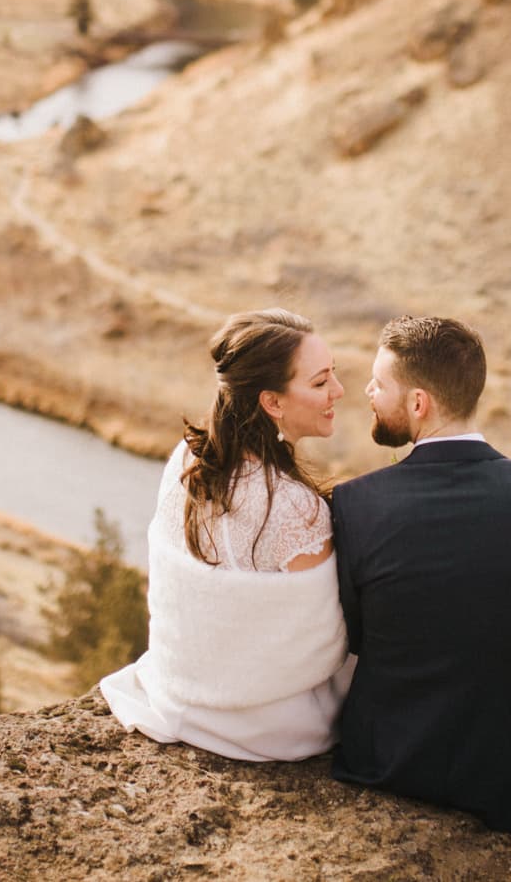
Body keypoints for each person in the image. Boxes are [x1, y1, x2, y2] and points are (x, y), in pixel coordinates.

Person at [330, 314, 511, 832]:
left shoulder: (355, 504)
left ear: (417, 403)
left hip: (389, 760)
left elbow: (358, 637)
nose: (366, 391)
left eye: (379, 383)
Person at [99, 308, 355, 760]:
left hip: (178, 692)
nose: (338, 391)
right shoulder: (297, 508)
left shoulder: (188, 459)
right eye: (319, 383)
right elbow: (319, 644)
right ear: (271, 402)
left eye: (333, 374)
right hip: (265, 725)